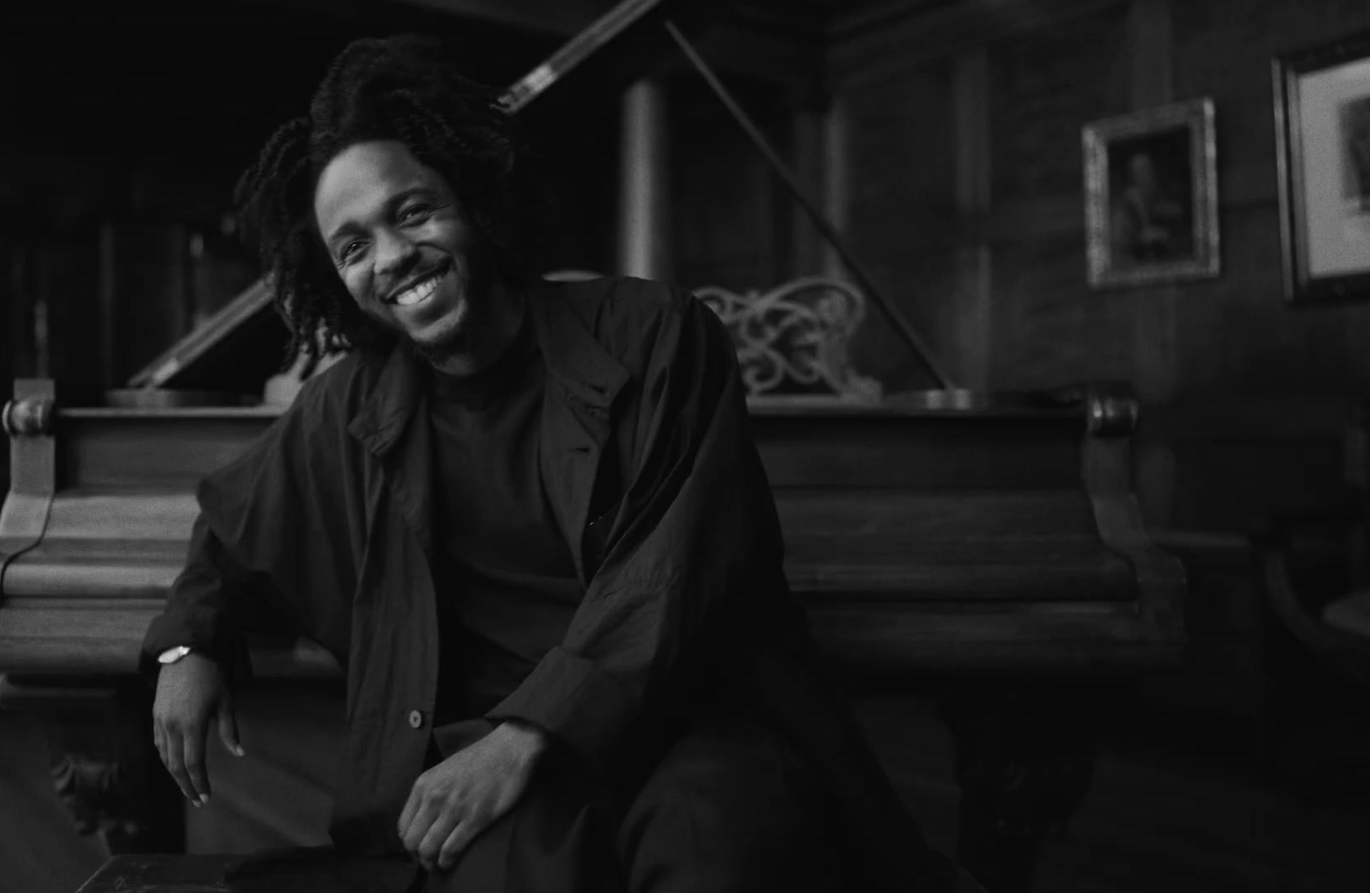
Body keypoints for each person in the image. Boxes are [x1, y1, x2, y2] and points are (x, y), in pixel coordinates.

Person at [142, 34, 981, 893]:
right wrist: (187, 649)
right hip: (492, 757)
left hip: (687, 721)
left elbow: (677, 573)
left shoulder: (656, 334)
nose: (390, 257)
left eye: (412, 212)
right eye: (352, 247)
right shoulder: (346, 405)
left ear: (470, 198)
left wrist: (531, 733)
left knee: (721, 856)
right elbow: (234, 524)